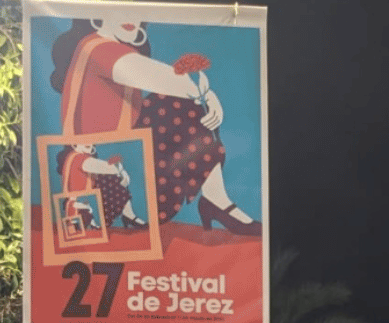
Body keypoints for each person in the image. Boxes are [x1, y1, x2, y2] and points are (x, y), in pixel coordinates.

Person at [50, 17, 261, 234]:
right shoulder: (97, 48)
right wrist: (206, 95)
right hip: (103, 163)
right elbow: (171, 80)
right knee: (182, 101)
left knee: (178, 103)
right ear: (97, 16)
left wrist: (203, 96)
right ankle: (203, 204)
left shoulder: (119, 47)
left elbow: (178, 87)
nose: (132, 17)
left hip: (124, 152)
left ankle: (215, 199)